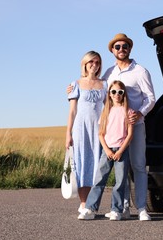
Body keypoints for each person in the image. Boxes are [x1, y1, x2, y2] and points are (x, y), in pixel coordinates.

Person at [103, 33, 155, 221]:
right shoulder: (109, 73)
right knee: (121, 169)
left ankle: (141, 208)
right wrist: (74, 88)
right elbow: (100, 94)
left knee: (139, 166)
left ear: (130, 48)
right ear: (112, 50)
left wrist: (140, 112)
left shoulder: (140, 71)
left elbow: (150, 97)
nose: (121, 49)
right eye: (117, 47)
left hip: (136, 125)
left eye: (125, 46)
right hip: (116, 129)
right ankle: (123, 207)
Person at [78, 80, 134, 221]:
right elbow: (101, 134)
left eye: (120, 92)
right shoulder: (106, 111)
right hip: (107, 150)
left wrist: (120, 151)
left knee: (120, 182)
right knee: (99, 180)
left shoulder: (128, 111)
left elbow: (130, 135)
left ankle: (116, 210)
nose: (116, 94)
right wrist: (107, 150)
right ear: (109, 94)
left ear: (123, 94)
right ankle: (90, 208)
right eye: (113, 92)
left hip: (121, 151)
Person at [66, 51, 108, 214]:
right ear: (85, 63)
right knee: (82, 164)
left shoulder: (104, 84)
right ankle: (84, 203)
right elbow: (72, 111)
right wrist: (68, 134)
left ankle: (91, 203)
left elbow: (108, 108)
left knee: (97, 166)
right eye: (91, 62)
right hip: (80, 129)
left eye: (97, 62)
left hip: (98, 130)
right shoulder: (75, 84)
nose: (94, 65)